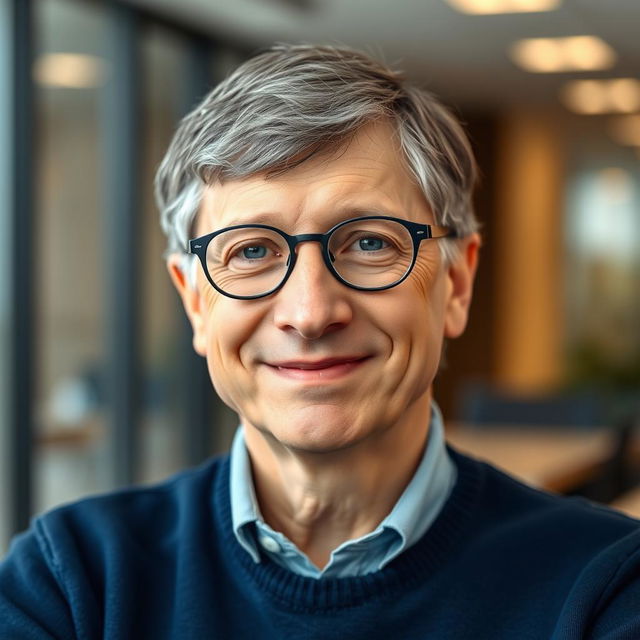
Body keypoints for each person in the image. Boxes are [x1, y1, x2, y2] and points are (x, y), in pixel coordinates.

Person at [1, 43, 639, 640]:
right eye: (250, 251)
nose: (309, 312)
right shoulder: (73, 583)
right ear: (195, 301)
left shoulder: (603, 588)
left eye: (368, 242)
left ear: (458, 281)